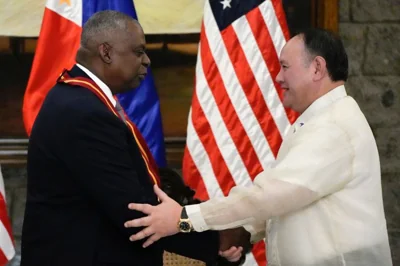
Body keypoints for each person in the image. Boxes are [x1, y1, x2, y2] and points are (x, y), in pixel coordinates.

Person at [124, 28, 394, 266]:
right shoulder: (322, 119)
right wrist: (244, 232)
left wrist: (184, 218)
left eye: (285, 67)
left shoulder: (333, 126)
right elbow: (291, 199)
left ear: (317, 68)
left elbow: (272, 195)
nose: (277, 77)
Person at [20, 10, 250, 266]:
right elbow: (135, 214)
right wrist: (218, 239)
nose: (147, 61)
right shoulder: (84, 112)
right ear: (106, 52)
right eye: (139, 52)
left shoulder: (80, 99)